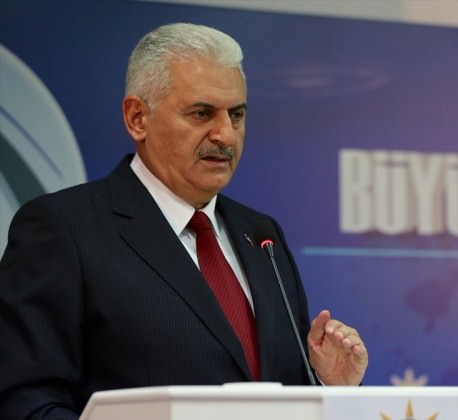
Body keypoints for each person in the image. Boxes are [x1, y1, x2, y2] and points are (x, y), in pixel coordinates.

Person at [0, 23, 367, 419]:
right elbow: (25, 402)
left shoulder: (262, 236)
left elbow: (277, 393)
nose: (225, 135)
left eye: (237, 115)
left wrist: (328, 387)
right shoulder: (64, 229)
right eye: (202, 113)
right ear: (137, 118)